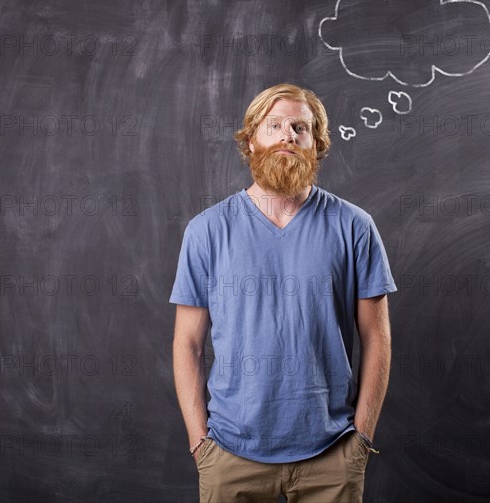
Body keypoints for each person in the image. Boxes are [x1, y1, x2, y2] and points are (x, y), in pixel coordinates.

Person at [170, 83, 397, 502]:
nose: (287, 136)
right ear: (251, 138)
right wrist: (199, 441)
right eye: (273, 125)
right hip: (230, 453)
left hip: (332, 455)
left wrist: (361, 438)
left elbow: (376, 339)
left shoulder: (354, 226)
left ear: (316, 144)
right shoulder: (207, 230)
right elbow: (187, 342)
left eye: (300, 127)